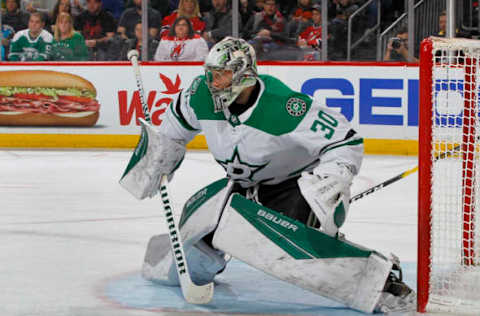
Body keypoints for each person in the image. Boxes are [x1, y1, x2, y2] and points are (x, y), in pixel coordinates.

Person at [120, 37, 416, 314]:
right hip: (241, 190)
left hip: (293, 189)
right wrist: (158, 156)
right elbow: (172, 131)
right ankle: (203, 254)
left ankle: (379, 283)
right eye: (210, 74)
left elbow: (345, 142)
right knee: (195, 239)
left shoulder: (285, 106)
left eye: (220, 75)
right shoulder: (200, 95)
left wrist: (332, 178)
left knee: (282, 245)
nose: (212, 82)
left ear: (243, 75)